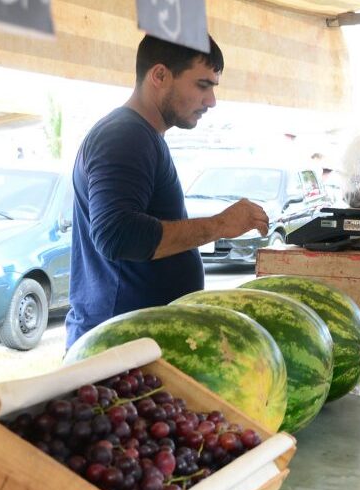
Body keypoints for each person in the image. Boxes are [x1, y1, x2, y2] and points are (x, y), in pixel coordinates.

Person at [65, 35, 269, 347]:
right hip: (119, 348)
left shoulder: (141, 135)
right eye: (202, 85)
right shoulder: (125, 136)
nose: (211, 100)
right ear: (159, 75)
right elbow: (117, 235)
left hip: (133, 342)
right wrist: (220, 225)